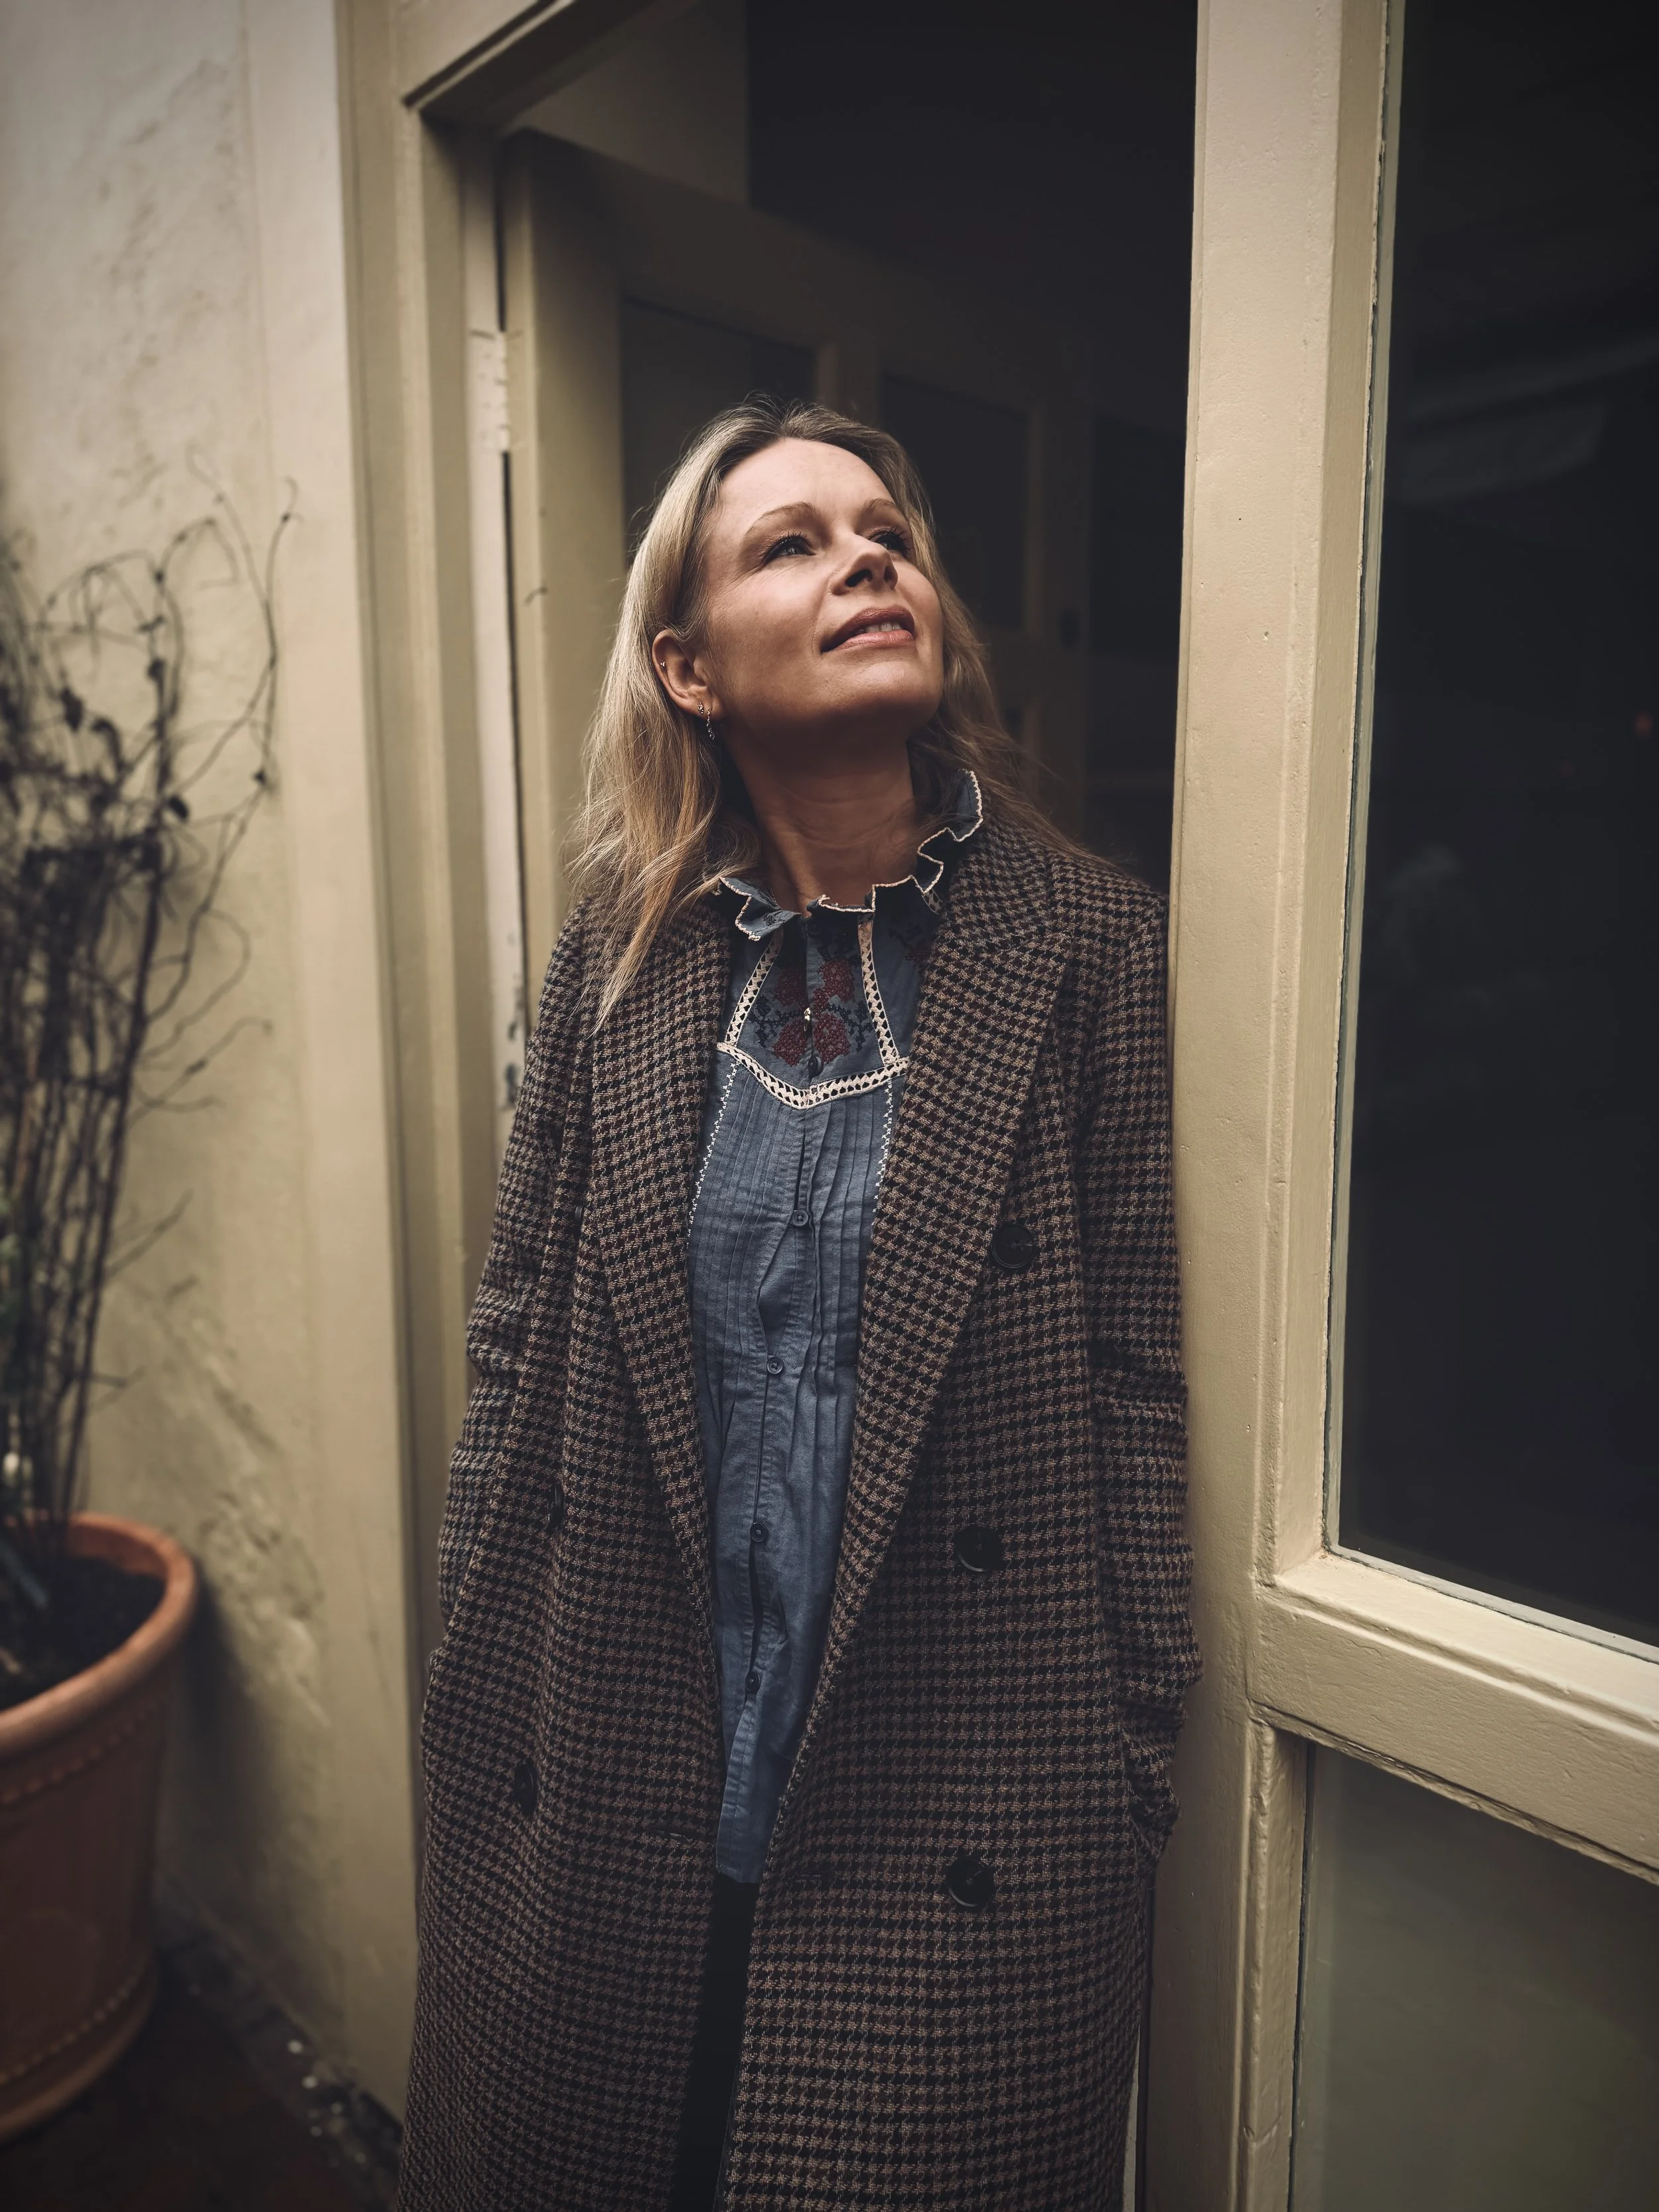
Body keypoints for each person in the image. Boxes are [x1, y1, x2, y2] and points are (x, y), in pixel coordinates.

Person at [397, 398, 1198, 2211]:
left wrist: (1126, 1754)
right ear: (687, 669)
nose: (866, 560)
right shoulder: (623, 952)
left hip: (964, 1793)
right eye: (792, 543)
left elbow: (1136, 1379)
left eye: (885, 533)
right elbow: (518, 1330)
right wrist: (482, 1663)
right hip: (613, 1763)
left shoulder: (1090, 943)